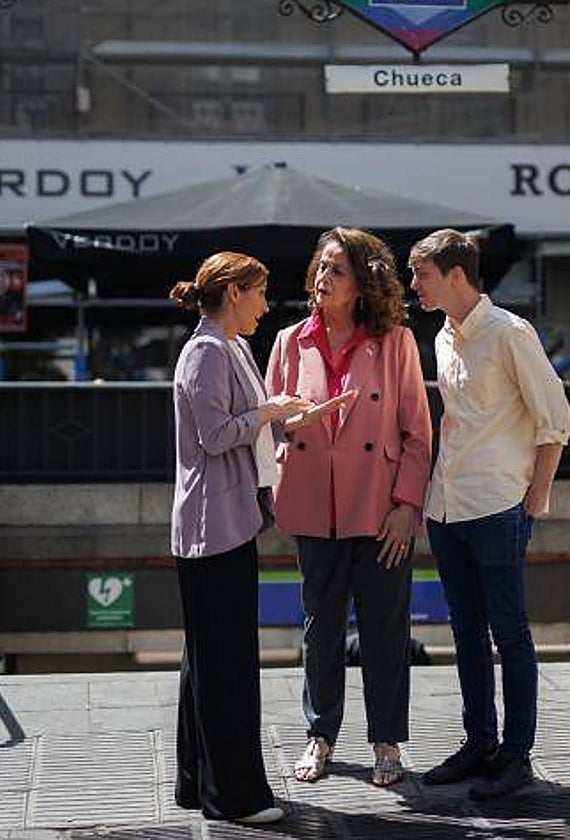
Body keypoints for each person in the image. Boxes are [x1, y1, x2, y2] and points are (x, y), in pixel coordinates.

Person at [408, 229, 570, 800]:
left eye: (421, 275)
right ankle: (479, 742)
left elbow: (555, 417)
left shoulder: (509, 333)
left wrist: (534, 501)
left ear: (456, 276)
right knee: (466, 634)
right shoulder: (442, 337)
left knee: (510, 634)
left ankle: (516, 755)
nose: (413, 286)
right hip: (447, 509)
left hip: (499, 506)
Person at [266, 227, 432, 788]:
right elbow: (268, 424)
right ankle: (321, 735)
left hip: (381, 508)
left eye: (336, 269)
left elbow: (417, 434)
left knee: (386, 630)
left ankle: (387, 742)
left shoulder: (396, 343)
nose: (322, 277)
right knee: (320, 627)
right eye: (320, 266)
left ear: (362, 284)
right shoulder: (290, 341)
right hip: (314, 506)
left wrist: (408, 504)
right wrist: (290, 423)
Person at [169, 252, 313, 825]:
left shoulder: (234, 347)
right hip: (212, 526)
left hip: (226, 519)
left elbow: (251, 420)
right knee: (225, 663)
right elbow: (214, 435)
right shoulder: (204, 350)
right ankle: (234, 796)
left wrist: (292, 415)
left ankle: (196, 782)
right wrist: (270, 411)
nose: (265, 303)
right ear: (233, 292)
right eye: (259, 292)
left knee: (207, 659)